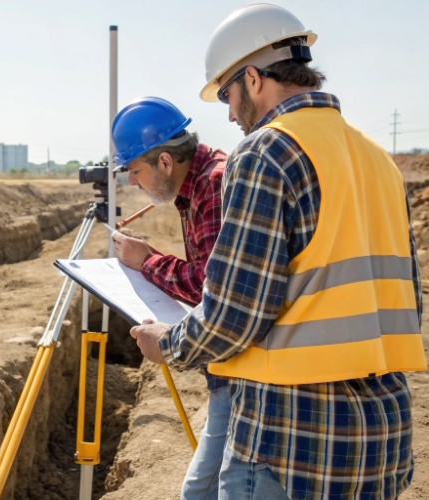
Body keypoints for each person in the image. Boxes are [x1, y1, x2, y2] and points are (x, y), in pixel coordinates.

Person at [129, 4, 427, 499]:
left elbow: (234, 313)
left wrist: (171, 342)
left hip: (291, 442)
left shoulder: (267, 151)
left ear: (253, 78)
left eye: (227, 94)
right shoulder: (379, 161)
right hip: (381, 438)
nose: (227, 112)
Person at [110, 96, 229, 500]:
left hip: (243, 370)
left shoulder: (214, 184)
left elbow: (210, 286)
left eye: (135, 170)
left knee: (202, 490)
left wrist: (148, 261)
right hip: (231, 366)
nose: (131, 182)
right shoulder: (193, 187)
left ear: (164, 161)